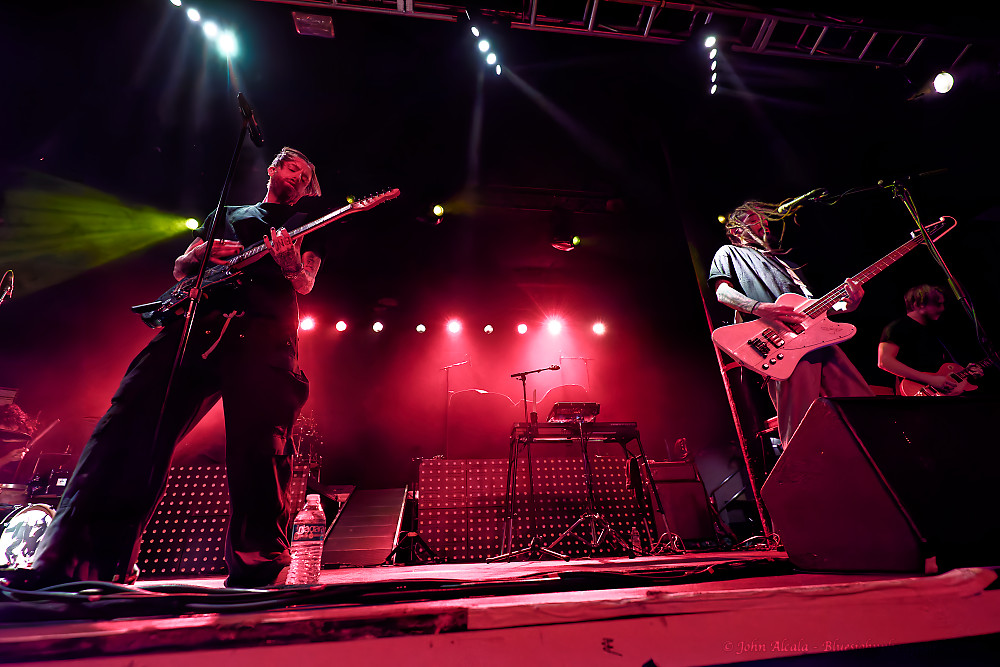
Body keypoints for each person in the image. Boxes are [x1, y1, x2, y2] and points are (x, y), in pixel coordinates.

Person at [2, 147, 326, 589]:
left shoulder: (309, 226)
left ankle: (260, 562)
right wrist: (194, 261)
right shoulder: (227, 213)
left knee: (260, 447)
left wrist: (290, 264)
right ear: (272, 169)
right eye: (290, 167)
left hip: (266, 335)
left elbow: (306, 281)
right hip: (198, 323)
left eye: (304, 176)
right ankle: (80, 557)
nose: (295, 177)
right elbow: (181, 266)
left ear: (308, 190)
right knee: (128, 423)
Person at [707, 199, 874, 448]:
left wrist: (848, 305)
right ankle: (801, 479)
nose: (762, 222)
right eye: (752, 219)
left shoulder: (788, 264)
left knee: (864, 411)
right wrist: (760, 308)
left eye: (762, 218)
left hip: (818, 340)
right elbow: (723, 294)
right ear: (735, 231)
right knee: (801, 429)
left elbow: (814, 310)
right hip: (780, 344)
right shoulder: (729, 253)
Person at [878, 284, 983, 395]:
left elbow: (943, 369)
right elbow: (884, 362)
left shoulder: (936, 329)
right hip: (917, 392)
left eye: (942, 304)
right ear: (917, 304)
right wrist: (930, 380)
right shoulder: (897, 327)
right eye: (937, 304)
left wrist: (966, 373)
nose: (942, 308)